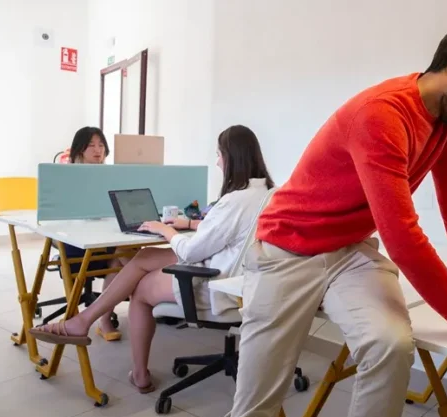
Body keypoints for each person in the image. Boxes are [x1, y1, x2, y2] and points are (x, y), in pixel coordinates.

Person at [220, 23, 447, 417]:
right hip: (287, 249)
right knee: (255, 409)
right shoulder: (382, 114)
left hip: (349, 251)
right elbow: (403, 238)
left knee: (391, 346)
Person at [30, 125, 275, 393]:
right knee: (144, 256)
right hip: (239, 277)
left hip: (214, 283)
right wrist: (191, 225)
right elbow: (229, 233)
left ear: (232, 157)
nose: (217, 162)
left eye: (219, 155)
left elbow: (192, 252)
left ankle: (139, 373)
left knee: (141, 290)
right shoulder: (269, 194)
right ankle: (84, 321)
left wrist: (165, 230)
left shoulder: (234, 200)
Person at [62, 127, 125, 341]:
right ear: (79, 149)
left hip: (106, 237)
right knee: (128, 258)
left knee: (126, 254)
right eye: (91, 145)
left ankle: (104, 319)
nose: (98, 150)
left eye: (101, 145)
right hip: (77, 241)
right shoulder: (66, 176)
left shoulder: (111, 175)